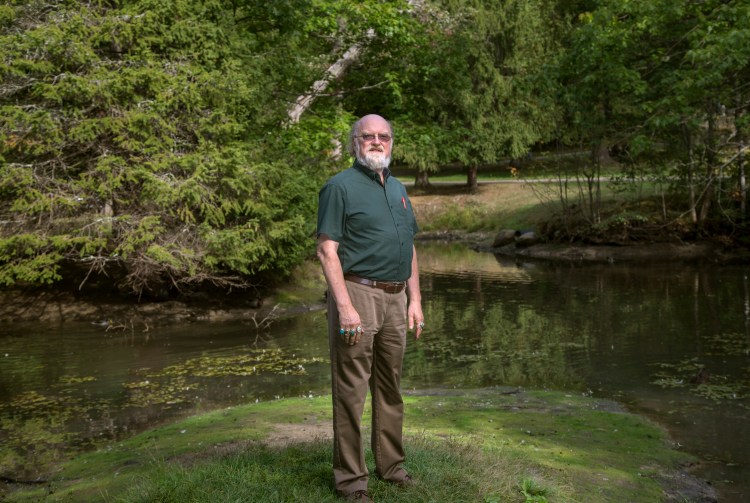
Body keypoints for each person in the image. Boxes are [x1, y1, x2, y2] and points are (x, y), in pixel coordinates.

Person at [316, 114, 424, 502]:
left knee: (390, 387)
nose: (376, 142)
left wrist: (416, 300)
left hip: (397, 299)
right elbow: (327, 251)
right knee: (351, 392)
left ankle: (391, 467)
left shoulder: (397, 188)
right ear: (354, 143)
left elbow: (408, 246)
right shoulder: (339, 187)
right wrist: (344, 307)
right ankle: (351, 482)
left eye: (384, 136)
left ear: (392, 143)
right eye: (368, 136)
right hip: (357, 294)